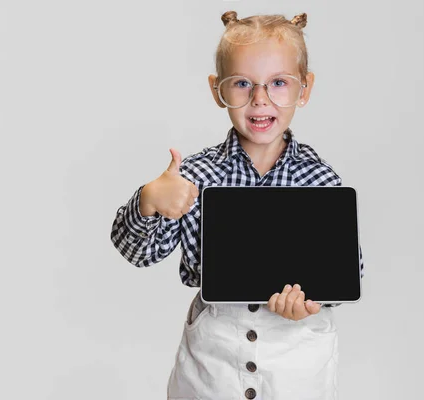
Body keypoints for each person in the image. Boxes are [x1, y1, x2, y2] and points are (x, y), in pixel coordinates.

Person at [110, 10, 364, 400]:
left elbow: (347, 273)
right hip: (214, 360)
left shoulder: (321, 179)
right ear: (218, 90)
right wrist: (149, 200)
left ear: (304, 89)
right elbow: (139, 252)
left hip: (296, 357)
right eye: (242, 83)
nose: (260, 99)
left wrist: (310, 299)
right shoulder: (192, 176)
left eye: (279, 83)